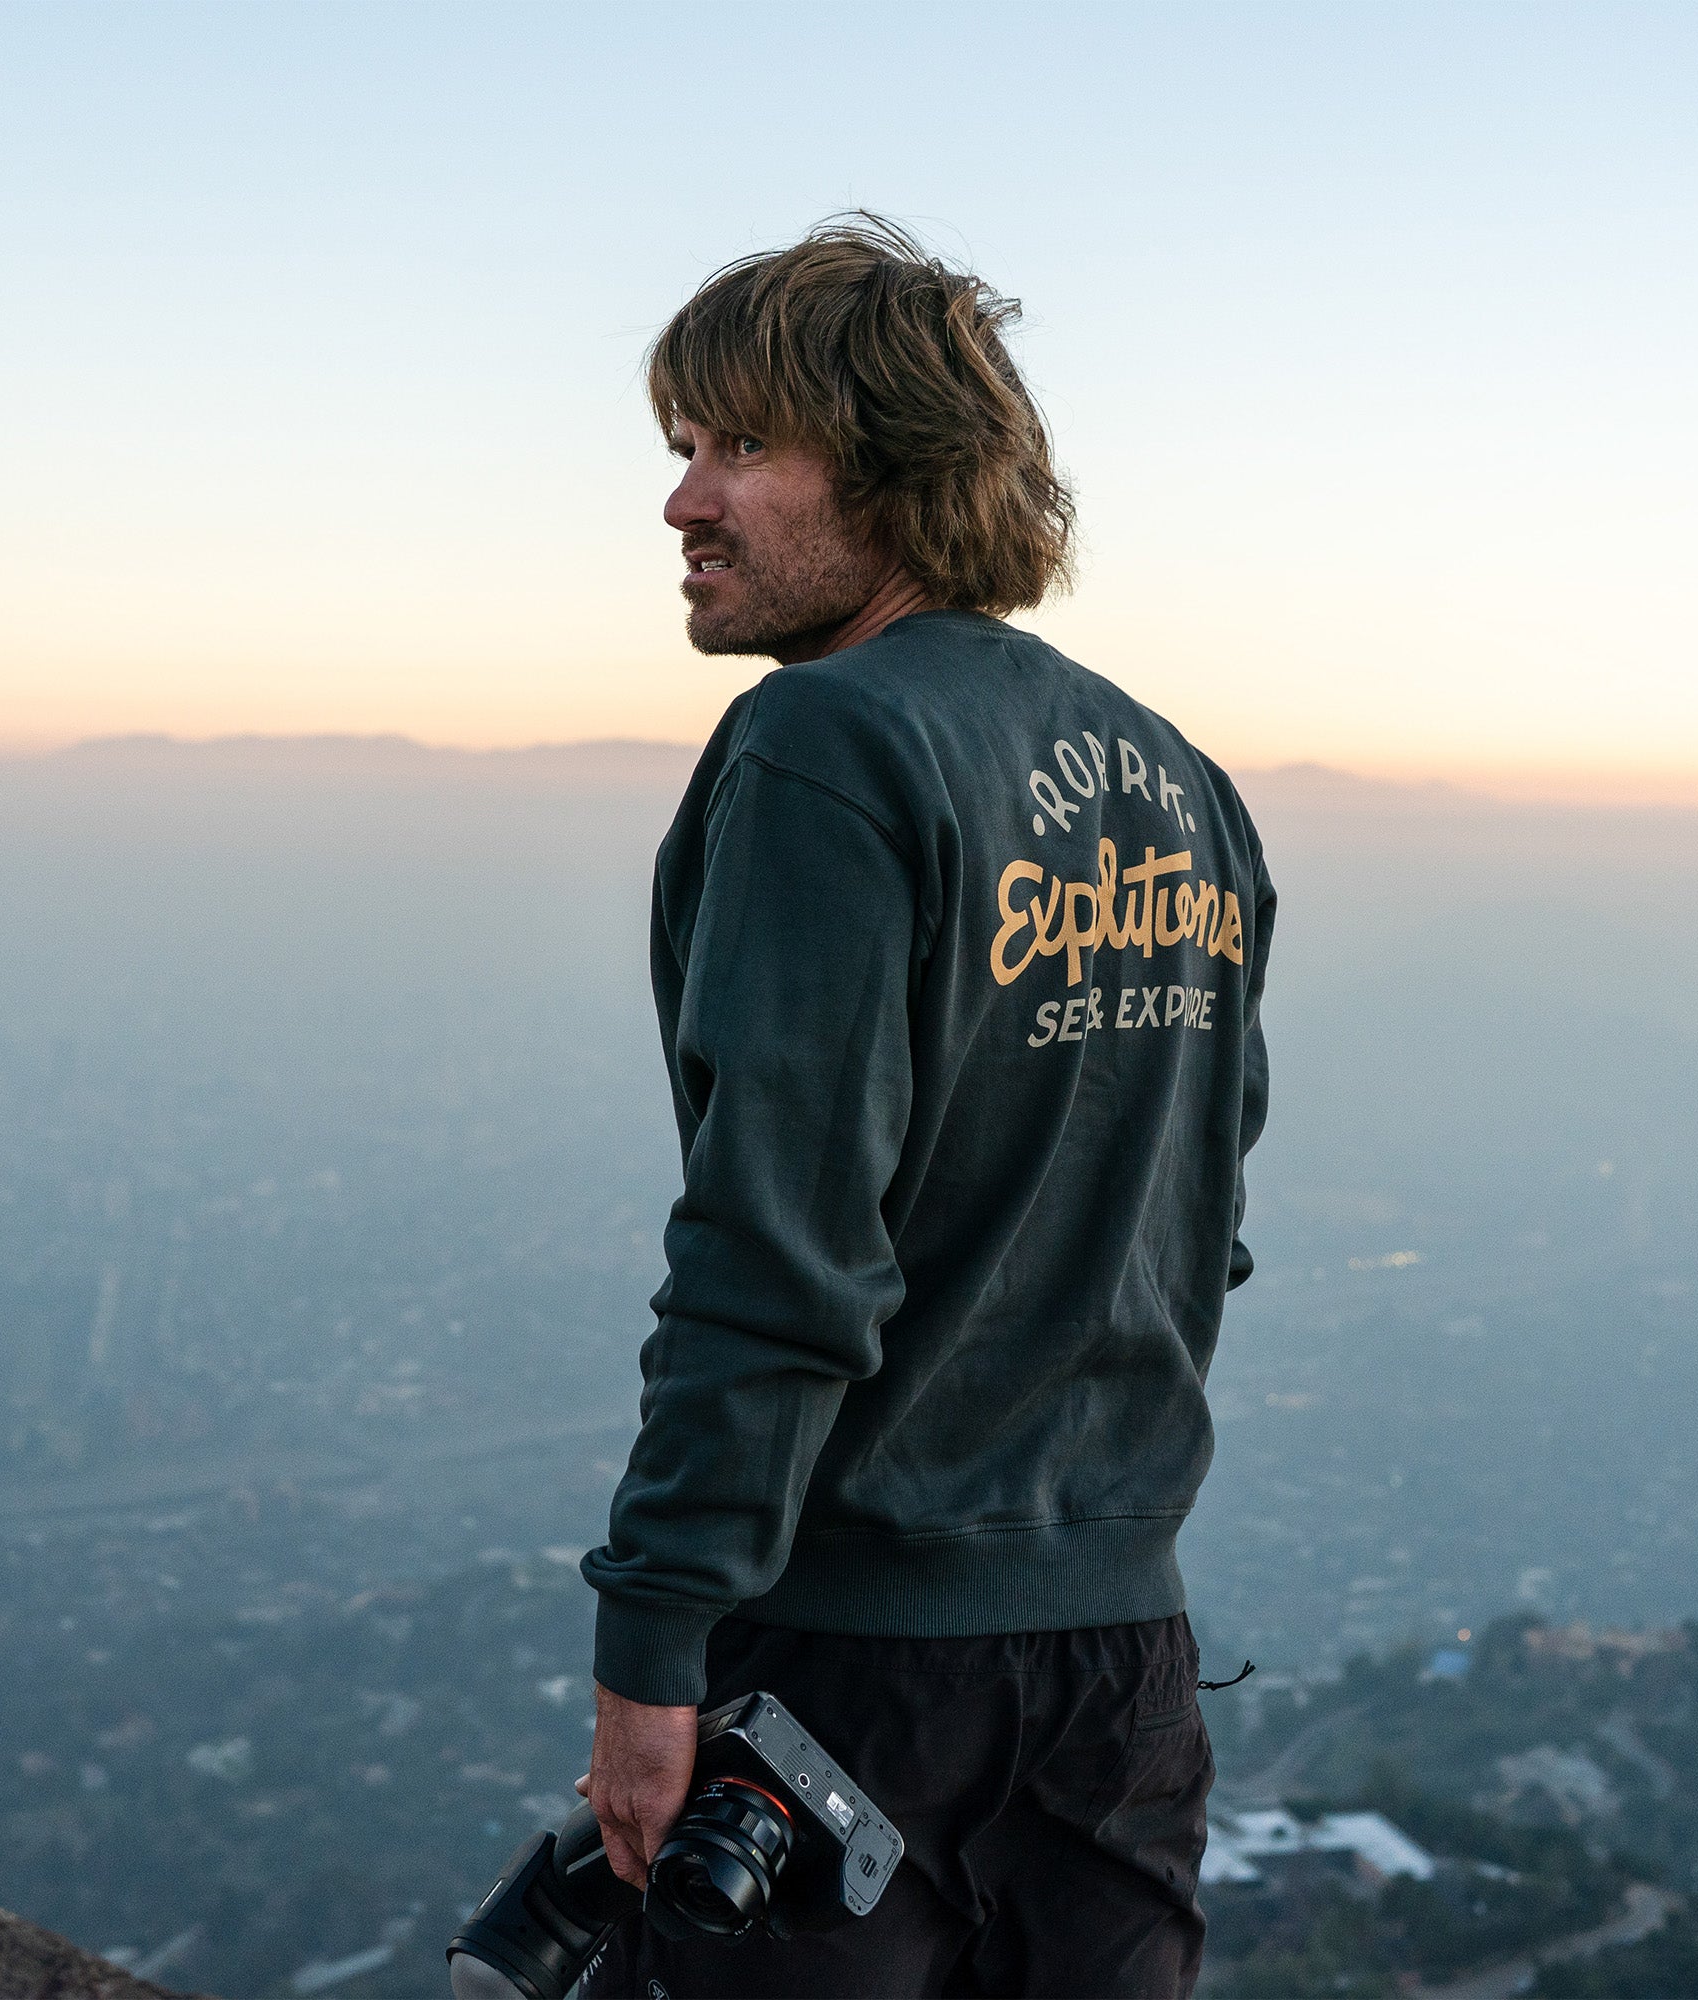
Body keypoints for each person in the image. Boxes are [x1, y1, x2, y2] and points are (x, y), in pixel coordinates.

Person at [575, 216, 1276, 2000]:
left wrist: (652, 1643)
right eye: (682, 450)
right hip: (1124, 1670)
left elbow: (777, 1254)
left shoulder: (831, 744)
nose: (683, 502)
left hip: (860, 1672)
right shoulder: (1183, 785)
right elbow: (1205, 1213)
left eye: (738, 446)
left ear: (889, 471)